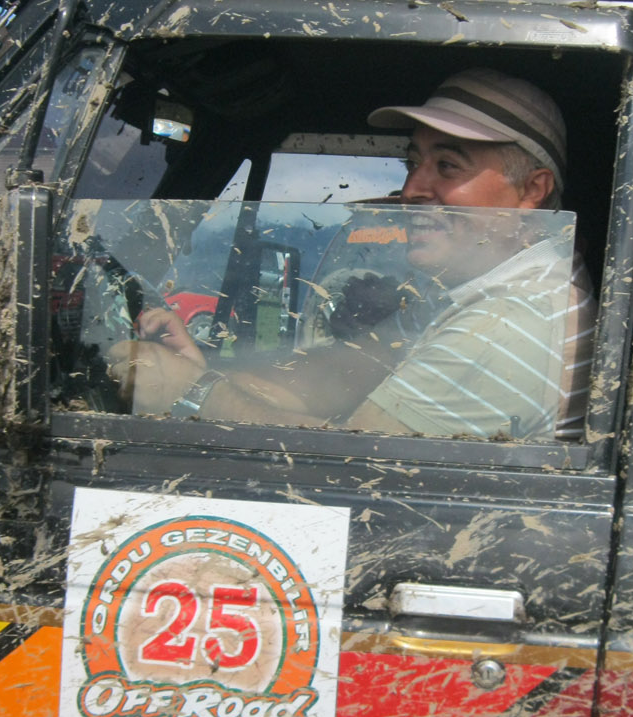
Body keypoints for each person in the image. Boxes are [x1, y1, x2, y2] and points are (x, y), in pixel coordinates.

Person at [108, 69, 597, 439]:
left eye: (448, 165)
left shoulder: (510, 321)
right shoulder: (486, 289)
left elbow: (355, 468)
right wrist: (200, 372)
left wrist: (192, 395)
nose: (412, 189)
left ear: (532, 190)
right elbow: (343, 372)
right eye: (413, 163)